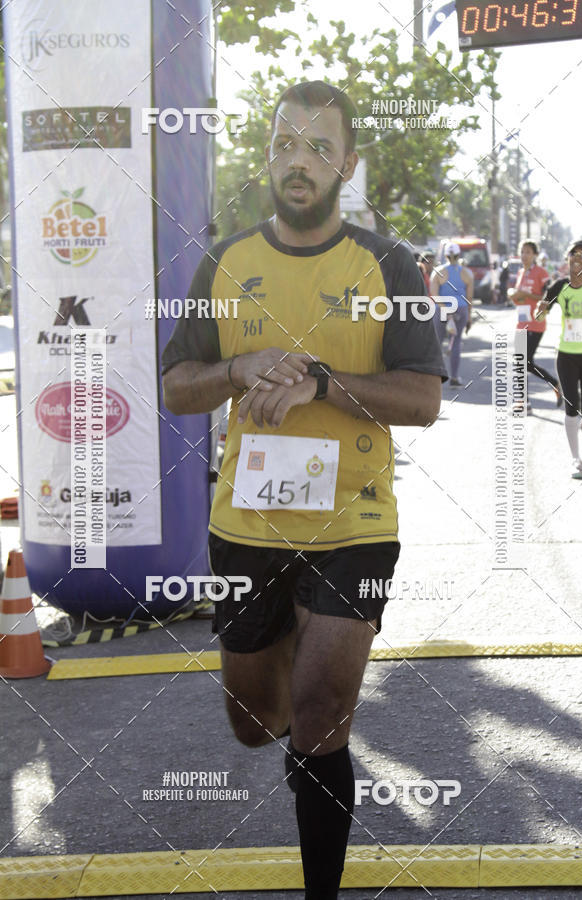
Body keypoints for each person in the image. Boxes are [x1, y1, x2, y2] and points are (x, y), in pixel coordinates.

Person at [161, 80, 447, 899]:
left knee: (320, 718)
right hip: (246, 525)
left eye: (322, 148)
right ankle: (291, 649)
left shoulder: (389, 264)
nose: (302, 161)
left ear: (347, 165)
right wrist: (237, 369)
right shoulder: (224, 261)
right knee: (255, 725)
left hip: (353, 524)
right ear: (268, 154)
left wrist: (323, 382)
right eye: (289, 142)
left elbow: (423, 399)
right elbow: (178, 387)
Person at [536, 239, 582, 479]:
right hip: (566, 355)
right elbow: (542, 310)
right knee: (571, 406)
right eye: (574, 253)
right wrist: (540, 310)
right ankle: (576, 460)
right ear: (568, 258)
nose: (577, 258)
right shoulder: (560, 286)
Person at [508, 239, 560, 413]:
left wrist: (527, 294)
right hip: (521, 322)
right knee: (520, 363)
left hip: (536, 323)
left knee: (524, 362)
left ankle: (553, 384)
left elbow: (548, 297)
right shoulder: (521, 272)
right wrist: (515, 295)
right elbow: (520, 297)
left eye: (528, 252)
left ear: (535, 255)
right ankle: (525, 403)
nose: (524, 255)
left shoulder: (541, 272)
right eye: (522, 252)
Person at [430, 241, 473, 386]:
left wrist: (446, 310)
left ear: (446, 255)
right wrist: (469, 318)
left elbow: (434, 295)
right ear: (459, 254)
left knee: (438, 343)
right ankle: (454, 377)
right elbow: (469, 299)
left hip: (441, 311)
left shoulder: (438, 272)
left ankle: (435, 378)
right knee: (455, 343)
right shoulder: (467, 273)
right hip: (460, 310)